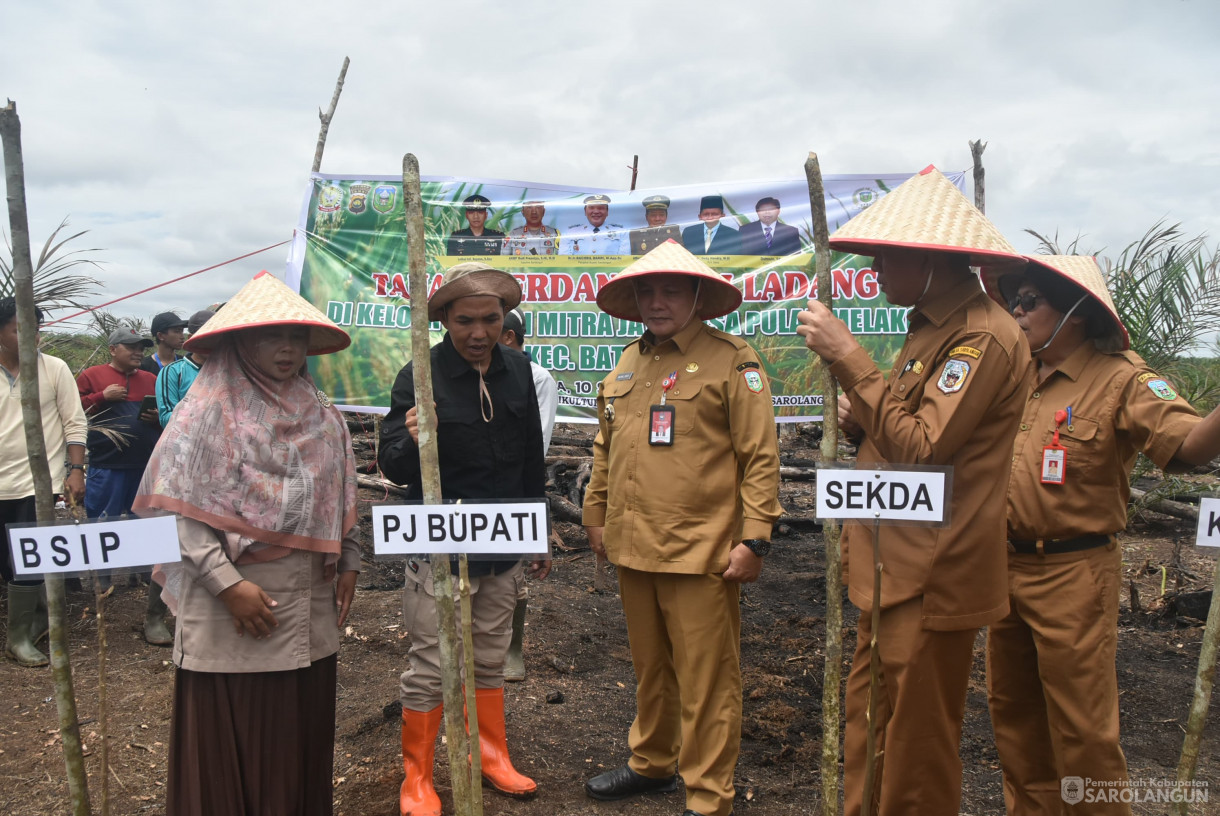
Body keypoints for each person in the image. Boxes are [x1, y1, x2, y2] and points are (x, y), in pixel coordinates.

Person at [796, 166, 1030, 816]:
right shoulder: (930, 327)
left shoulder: (979, 336)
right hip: (891, 565)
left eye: (883, 256)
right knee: (870, 729)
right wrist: (863, 417)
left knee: (917, 750)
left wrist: (850, 358)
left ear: (927, 258)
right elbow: (905, 432)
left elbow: (925, 449)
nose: (872, 268)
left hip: (935, 572)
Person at [982, 255, 1220, 815]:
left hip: (1073, 573)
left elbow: (1187, 448)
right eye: (1013, 299)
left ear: (1078, 314)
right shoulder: (1020, 377)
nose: (1016, 310)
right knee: (1014, 717)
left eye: (1029, 300)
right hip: (1002, 569)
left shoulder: (1123, 380)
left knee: (1083, 730)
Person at [132, 270, 360, 816]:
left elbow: (340, 489)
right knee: (236, 731)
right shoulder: (208, 412)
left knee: (295, 731)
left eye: (296, 337)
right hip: (233, 606)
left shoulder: (321, 412)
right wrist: (227, 584)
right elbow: (177, 507)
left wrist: (349, 557)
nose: (287, 349)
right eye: (271, 336)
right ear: (239, 341)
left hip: (307, 600)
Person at [581, 239, 781, 816]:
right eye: (647, 289)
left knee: (707, 679)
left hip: (703, 550)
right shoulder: (629, 360)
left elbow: (759, 456)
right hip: (633, 544)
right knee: (651, 667)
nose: (657, 301)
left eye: (671, 290)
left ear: (697, 296)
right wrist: (595, 513)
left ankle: (709, 796)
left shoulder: (732, 360)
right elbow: (605, 444)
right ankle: (653, 763)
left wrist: (756, 536)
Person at [378, 261, 551, 816]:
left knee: (490, 656)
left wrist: (538, 530)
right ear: (445, 320)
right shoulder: (418, 375)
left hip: (502, 542)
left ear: (506, 320)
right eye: (465, 321)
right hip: (440, 545)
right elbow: (393, 467)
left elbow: (530, 456)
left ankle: (490, 754)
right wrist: (410, 438)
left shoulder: (519, 369)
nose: (479, 333)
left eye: (491, 320)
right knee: (431, 660)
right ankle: (419, 778)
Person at [0, 298, 87, 667]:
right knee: (7, 562)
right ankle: (34, 622)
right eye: (20, 328)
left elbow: (75, 422)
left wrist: (76, 470)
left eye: (35, 329)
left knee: (28, 560)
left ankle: (18, 638)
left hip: (38, 484)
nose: (30, 336)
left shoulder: (54, 369)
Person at [77, 327, 171, 644]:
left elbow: (163, 416)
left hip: (141, 463)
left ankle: (143, 574)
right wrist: (101, 397)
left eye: (141, 348)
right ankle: (102, 578)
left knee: (141, 520)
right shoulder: (92, 375)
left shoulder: (151, 379)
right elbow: (75, 413)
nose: (138, 352)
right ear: (113, 348)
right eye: (131, 347)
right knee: (100, 518)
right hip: (106, 462)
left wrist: (155, 417)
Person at [498, 306, 559, 682]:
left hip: (517, 484)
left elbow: (539, 439)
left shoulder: (537, 378)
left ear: (507, 336)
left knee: (513, 572)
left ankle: (512, 648)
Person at [155, 309, 215, 427]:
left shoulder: (229, 370)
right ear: (192, 337)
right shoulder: (173, 372)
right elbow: (165, 418)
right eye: (207, 336)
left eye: (217, 336)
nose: (213, 342)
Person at [560, 194, 627, 255]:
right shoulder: (569, 233)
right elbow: (564, 262)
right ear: (585, 211)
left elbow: (625, 261)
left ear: (607, 212)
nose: (596, 211)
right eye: (591, 207)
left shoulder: (621, 233)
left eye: (601, 208)